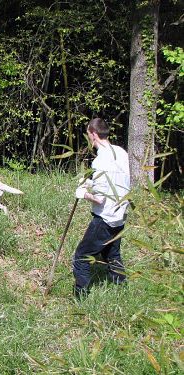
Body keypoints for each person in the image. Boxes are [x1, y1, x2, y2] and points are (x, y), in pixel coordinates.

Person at [73, 117, 131, 298]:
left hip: (104, 218)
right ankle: (120, 288)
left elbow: (99, 199)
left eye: (89, 134)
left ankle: (80, 297)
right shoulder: (121, 152)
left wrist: (83, 193)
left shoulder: (99, 161)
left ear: (93, 134)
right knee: (112, 253)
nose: (89, 138)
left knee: (81, 256)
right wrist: (91, 181)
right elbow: (117, 179)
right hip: (120, 214)